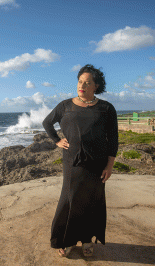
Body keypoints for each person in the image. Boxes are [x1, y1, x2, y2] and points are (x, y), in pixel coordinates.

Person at [42, 64, 118, 258]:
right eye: (80, 81)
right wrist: (57, 140)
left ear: (96, 86)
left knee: (92, 201)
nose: (82, 85)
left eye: (87, 82)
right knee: (69, 200)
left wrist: (109, 166)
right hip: (72, 162)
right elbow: (47, 122)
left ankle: (86, 240)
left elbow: (113, 140)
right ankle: (65, 240)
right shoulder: (65, 105)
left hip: (97, 164)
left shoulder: (106, 108)